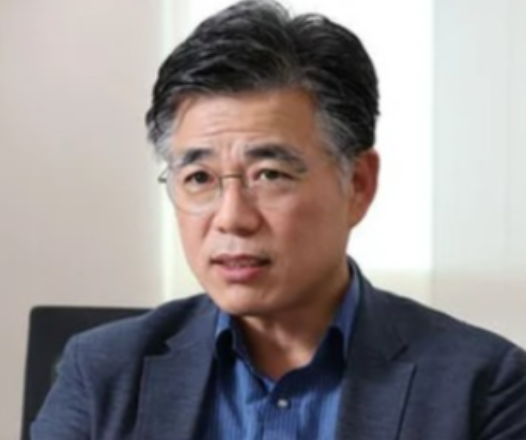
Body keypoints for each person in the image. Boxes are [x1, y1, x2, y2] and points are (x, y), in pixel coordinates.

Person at [31, 1, 526, 439]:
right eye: (199, 178)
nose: (232, 218)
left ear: (357, 184)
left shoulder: (484, 387)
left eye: (269, 174)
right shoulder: (103, 372)